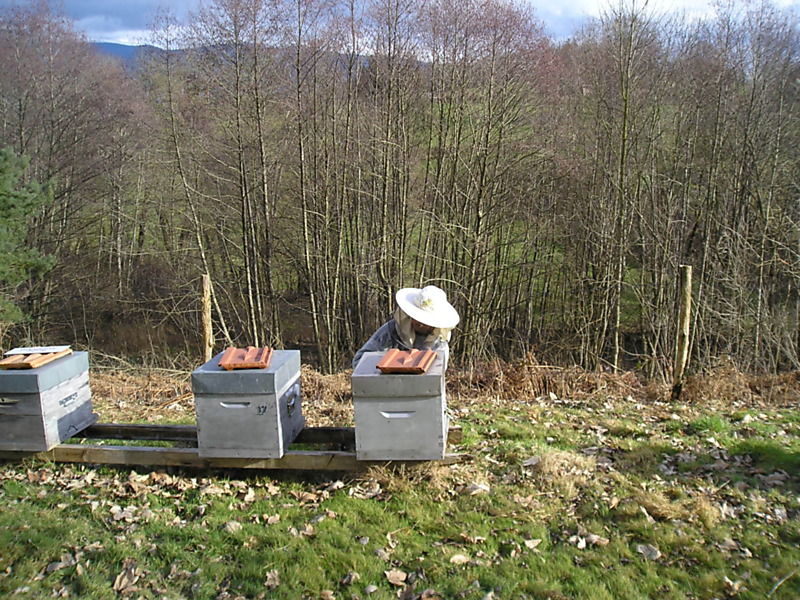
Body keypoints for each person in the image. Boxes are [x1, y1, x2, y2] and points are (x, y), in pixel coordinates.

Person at [352, 285, 460, 369]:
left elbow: (435, 379)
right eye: (417, 317)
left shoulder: (440, 343)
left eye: (425, 320)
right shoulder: (390, 331)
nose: (420, 323)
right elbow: (359, 361)